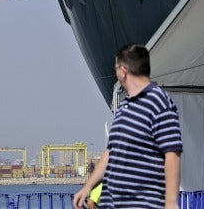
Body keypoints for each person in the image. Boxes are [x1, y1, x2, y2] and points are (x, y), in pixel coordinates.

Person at [73, 44, 182, 209]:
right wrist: (88, 187)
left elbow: (172, 153)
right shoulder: (124, 107)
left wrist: (171, 202)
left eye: (116, 68)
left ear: (123, 70)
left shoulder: (158, 102)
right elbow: (111, 153)